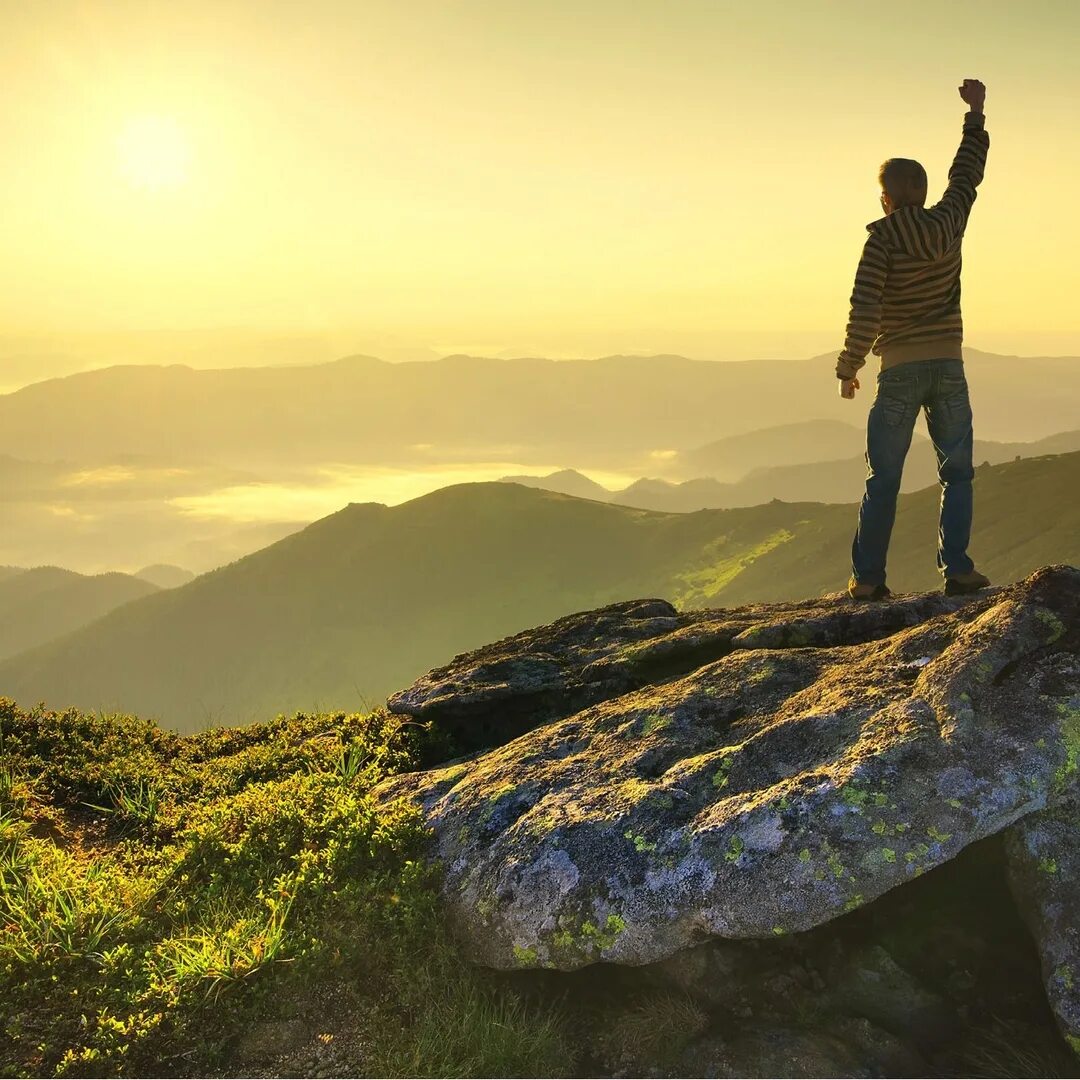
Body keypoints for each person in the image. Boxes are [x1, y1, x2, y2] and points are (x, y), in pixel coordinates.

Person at [835, 78, 993, 601]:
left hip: (899, 371)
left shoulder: (880, 242)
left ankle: (868, 579)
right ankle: (959, 570)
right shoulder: (950, 220)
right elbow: (967, 174)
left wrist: (849, 365)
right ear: (922, 194)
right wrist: (975, 114)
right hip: (949, 367)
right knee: (958, 473)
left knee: (883, 478)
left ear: (886, 199)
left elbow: (866, 307)